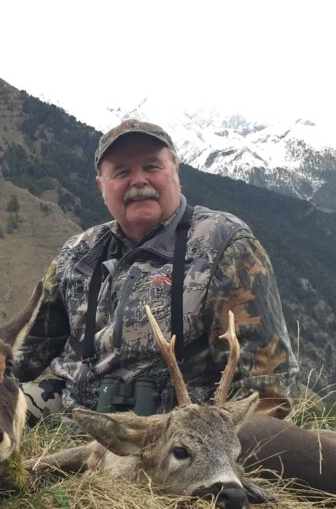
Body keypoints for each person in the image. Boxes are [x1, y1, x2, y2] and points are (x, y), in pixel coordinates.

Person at [16, 119, 299, 422]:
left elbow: (265, 393)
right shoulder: (77, 254)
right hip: (76, 414)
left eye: (152, 167)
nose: (138, 181)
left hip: (176, 432)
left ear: (176, 173)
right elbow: (21, 357)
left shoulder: (224, 244)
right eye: (122, 172)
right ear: (101, 186)